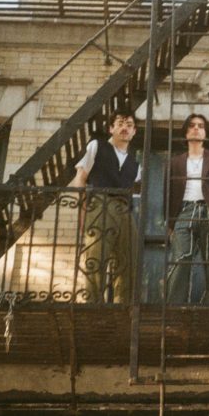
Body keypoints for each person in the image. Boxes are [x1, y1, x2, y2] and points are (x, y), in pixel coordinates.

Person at [68, 109, 140, 304]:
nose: (125, 128)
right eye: (120, 123)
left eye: (129, 125)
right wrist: (84, 210)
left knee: (129, 261)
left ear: (134, 131)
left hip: (125, 209)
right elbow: (80, 179)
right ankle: (92, 307)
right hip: (101, 203)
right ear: (111, 128)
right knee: (96, 258)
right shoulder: (97, 146)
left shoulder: (135, 163)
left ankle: (122, 307)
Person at [165, 113, 209, 304]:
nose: (196, 128)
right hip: (185, 211)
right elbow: (168, 194)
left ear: (206, 133)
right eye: (192, 125)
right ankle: (175, 307)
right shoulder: (174, 162)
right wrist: (170, 223)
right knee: (181, 259)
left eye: (201, 126)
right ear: (186, 132)